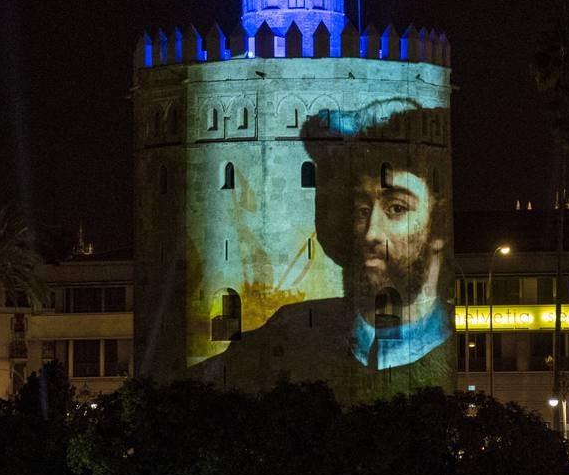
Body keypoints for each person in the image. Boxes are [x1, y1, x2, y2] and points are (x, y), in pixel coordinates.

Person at [192, 100, 453, 403]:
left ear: (440, 224)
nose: (371, 233)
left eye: (397, 208)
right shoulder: (282, 334)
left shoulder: (451, 356)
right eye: (360, 210)